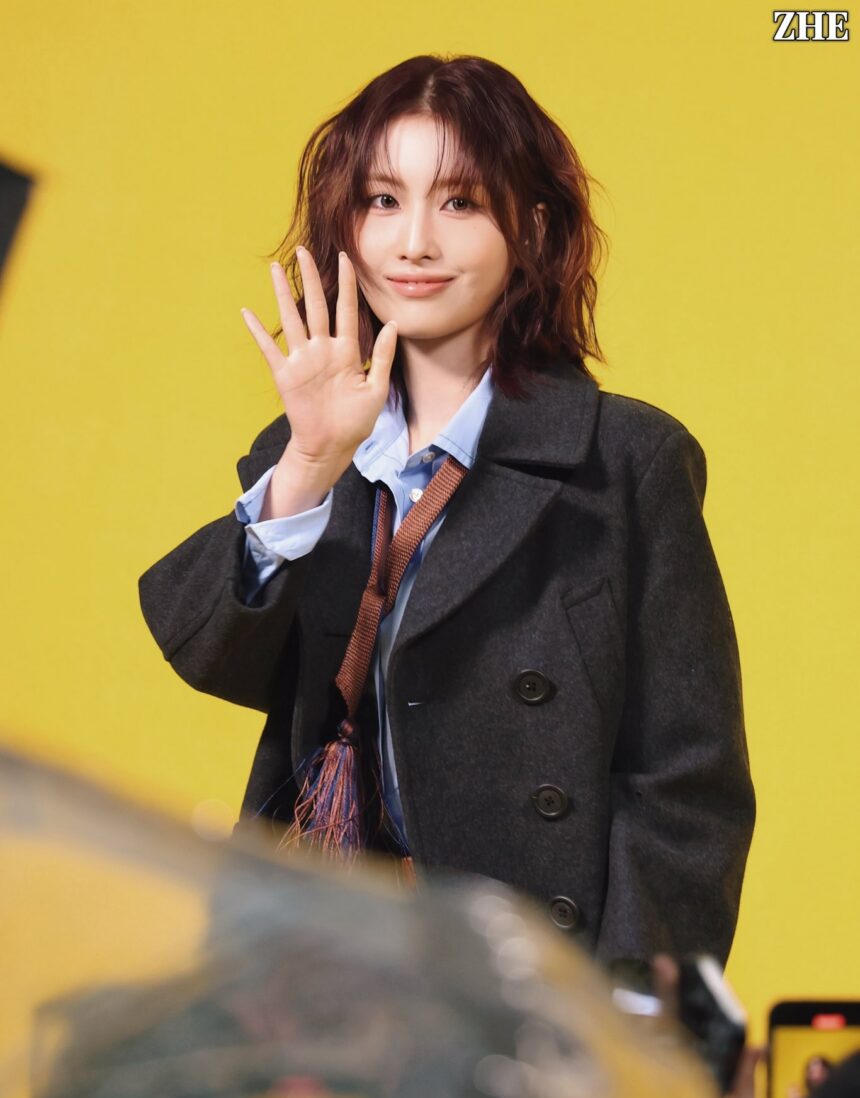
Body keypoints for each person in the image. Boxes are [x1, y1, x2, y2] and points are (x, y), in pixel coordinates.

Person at [138, 53, 755, 964]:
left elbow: (686, 792)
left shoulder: (625, 460)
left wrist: (621, 1012)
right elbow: (206, 654)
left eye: (459, 202)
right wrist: (309, 462)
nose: (414, 243)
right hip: (316, 961)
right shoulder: (313, 447)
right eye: (383, 200)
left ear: (532, 226)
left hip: (522, 973)